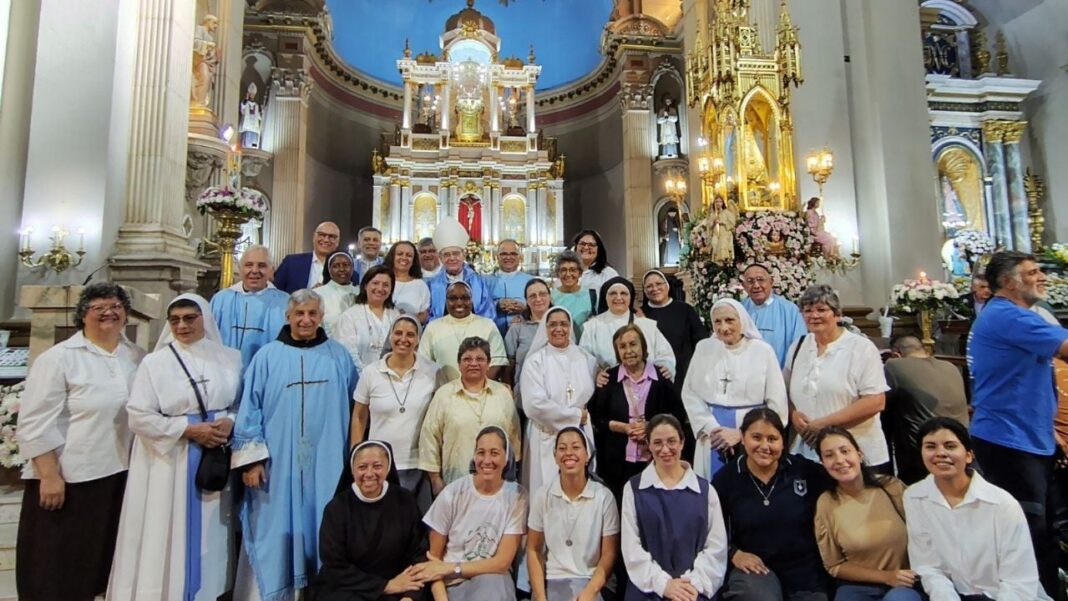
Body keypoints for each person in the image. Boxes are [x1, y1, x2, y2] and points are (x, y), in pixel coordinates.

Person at [15, 283, 146, 601]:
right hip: (70, 477)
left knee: (97, 565)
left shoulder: (137, 356)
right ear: (82, 315)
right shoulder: (59, 359)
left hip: (118, 473)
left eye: (115, 306)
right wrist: (49, 475)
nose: (108, 313)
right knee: (58, 567)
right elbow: (34, 420)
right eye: (98, 307)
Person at [108, 294, 241, 601]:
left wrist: (230, 421)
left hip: (214, 455)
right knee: (166, 531)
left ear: (204, 319)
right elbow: (139, 416)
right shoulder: (154, 363)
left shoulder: (230, 357)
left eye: (189, 318)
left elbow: (238, 403)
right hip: (171, 459)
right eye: (175, 319)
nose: (182, 325)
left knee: (213, 532)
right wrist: (188, 429)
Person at [231, 289, 358, 601]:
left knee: (325, 523)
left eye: (312, 314)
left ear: (321, 317)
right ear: (287, 316)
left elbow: (357, 408)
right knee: (274, 528)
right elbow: (250, 409)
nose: (305, 320)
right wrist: (251, 460)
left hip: (328, 461)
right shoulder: (267, 356)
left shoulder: (339, 356)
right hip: (276, 464)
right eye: (299, 314)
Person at [966, 250, 1068, 597]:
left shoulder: (1015, 315)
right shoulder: (1008, 316)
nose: (1042, 277)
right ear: (1009, 282)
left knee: (1047, 530)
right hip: (1008, 441)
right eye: (1033, 272)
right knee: (1029, 533)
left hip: (1029, 436)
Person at [904, 418, 1050, 601]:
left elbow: (1018, 580)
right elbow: (927, 566)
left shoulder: (1001, 503)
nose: (940, 453)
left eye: (950, 446)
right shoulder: (914, 497)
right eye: (930, 446)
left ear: (968, 455)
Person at [712, 409, 831, 601]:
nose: (764, 446)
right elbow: (709, 529)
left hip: (804, 571)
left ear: (783, 442)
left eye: (772, 439)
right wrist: (733, 553)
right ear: (742, 438)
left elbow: (841, 483)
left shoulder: (804, 471)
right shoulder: (726, 479)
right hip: (755, 569)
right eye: (756, 437)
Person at [621, 414, 728, 600]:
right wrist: (664, 585)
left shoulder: (705, 491)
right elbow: (632, 549)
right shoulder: (633, 489)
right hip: (647, 589)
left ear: (682, 443)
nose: (665, 449)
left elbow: (716, 547)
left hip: (693, 590)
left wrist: (693, 584)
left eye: (671, 441)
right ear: (648, 444)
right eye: (657, 443)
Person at [415, 426, 528, 601]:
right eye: (481, 453)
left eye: (494, 453)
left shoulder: (517, 496)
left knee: (492, 585)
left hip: (493, 579)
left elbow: (502, 562)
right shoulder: (452, 493)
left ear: (506, 458)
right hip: (452, 584)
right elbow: (434, 561)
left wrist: (450, 568)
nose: (487, 460)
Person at [786, 285, 890, 469]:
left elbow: (876, 401)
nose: (814, 315)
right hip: (808, 454)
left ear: (837, 314)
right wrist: (794, 415)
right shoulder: (799, 346)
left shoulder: (861, 348)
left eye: (821, 309)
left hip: (855, 453)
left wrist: (824, 425)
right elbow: (784, 390)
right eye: (808, 310)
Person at [682, 299, 788, 479]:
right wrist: (712, 428)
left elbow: (777, 403)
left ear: (742, 321)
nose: (723, 327)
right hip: (712, 436)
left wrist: (743, 433)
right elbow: (690, 392)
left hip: (753, 436)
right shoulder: (704, 348)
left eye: (730, 320)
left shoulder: (763, 351)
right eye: (717, 321)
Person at [813, 427, 920, 601]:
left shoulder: (890, 486)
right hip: (858, 586)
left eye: (845, 451)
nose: (840, 460)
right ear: (822, 463)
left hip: (905, 581)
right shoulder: (826, 503)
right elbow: (835, 565)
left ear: (859, 454)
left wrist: (898, 576)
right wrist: (886, 577)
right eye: (829, 455)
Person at [590, 324, 693, 503]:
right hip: (616, 463)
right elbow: (597, 419)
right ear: (617, 352)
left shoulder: (661, 379)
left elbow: (678, 417)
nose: (629, 351)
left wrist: (651, 427)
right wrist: (623, 427)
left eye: (633, 344)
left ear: (643, 347)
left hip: (656, 460)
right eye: (622, 347)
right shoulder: (608, 379)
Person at [315, 441, 430, 601]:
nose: (369, 474)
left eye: (377, 466)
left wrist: (410, 596)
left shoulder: (405, 501)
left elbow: (419, 552)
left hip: (400, 583)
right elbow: (334, 564)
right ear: (352, 470)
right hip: (349, 587)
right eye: (362, 467)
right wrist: (384, 586)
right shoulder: (337, 508)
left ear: (388, 468)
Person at [351, 315, 441, 512]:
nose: (404, 339)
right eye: (398, 333)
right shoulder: (371, 372)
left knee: (417, 528)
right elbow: (359, 416)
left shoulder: (432, 371)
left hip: (419, 464)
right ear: (390, 336)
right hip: (380, 465)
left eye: (410, 335)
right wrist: (356, 454)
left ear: (418, 339)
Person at [418, 337, 522, 492]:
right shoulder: (444, 395)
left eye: (480, 359)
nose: (474, 363)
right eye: (467, 359)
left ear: (488, 364)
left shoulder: (502, 394)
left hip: (498, 483)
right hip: (455, 483)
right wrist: (435, 480)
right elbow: (430, 438)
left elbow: (513, 437)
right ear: (459, 364)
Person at [527, 427, 619, 601]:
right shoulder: (542, 496)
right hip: (553, 579)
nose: (568, 453)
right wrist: (540, 597)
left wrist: (589, 592)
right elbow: (533, 549)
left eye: (575, 447)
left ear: (587, 456)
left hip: (591, 579)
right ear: (555, 457)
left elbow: (609, 554)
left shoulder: (604, 497)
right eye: (562, 448)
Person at [520, 307, 598, 500]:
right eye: (553, 324)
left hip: (580, 435)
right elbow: (534, 405)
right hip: (545, 437)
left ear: (571, 327)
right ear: (545, 328)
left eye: (564, 324)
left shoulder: (587, 359)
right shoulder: (535, 361)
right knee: (545, 495)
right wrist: (575, 416)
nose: (559, 329)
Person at [883, 335, 969, 484]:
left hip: (924, 451)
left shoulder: (894, 365)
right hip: (961, 443)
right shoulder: (950, 366)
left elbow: (882, 403)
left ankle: (887, 480)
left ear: (895, 353)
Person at [580, 277, 676, 379]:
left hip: (645, 385)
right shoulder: (592, 326)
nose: (618, 298)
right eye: (613, 293)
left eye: (623, 293)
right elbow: (584, 358)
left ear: (630, 298)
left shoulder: (647, 325)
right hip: (609, 386)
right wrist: (597, 373)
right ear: (605, 297)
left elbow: (665, 354)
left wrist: (665, 366)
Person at [210, 244, 289, 368]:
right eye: (249, 265)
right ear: (240, 268)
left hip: (268, 371)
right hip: (226, 371)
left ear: (272, 271)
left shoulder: (285, 302)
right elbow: (210, 338)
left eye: (262, 265)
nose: (255, 270)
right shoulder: (221, 300)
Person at [419, 281, 507, 381]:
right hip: (444, 392)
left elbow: (497, 363)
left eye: (465, 298)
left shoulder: (488, 325)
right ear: (446, 301)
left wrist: (476, 388)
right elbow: (424, 364)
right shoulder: (433, 327)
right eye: (453, 298)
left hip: (482, 393)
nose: (459, 302)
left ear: (472, 300)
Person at [641, 269, 708, 392]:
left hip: (684, 371)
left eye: (658, 284)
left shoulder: (685, 309)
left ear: (667, 285)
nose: (654, 288)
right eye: (649, 286)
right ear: (645, 291)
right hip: (652, 374)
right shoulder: (641, 314)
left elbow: (701, 340)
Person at [426, 217, 496, 321]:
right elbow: (429, 316)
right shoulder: (433, 284)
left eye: (456, 253)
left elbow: (488, 312)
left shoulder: (479, 282)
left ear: (464, 255)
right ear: (440, 258)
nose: (452, 258)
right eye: (447, 255)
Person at [335, 265, 400, 373]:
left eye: (386, 285)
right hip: (360, 378)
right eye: (375, 283)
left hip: (392, 377)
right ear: (365, 286)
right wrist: (370, 377)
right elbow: (348, 353)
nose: (380, 289)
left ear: (391, 289)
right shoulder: (350, 316)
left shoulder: (395, 315)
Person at [740, 263, 807, 367]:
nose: (756, 285)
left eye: (761, 280)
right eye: (750, 281)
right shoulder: (739, 310)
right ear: (744, 286)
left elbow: (800, 349)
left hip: (779, 377)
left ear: (771, 282)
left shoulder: (790, 311)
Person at [506, 278, 555, 401]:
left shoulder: (563, 326)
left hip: (556, 395)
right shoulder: (517, 328)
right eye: (532, 296)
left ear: (550, 296)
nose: (538, 299)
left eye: (542, 294)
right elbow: (508, 364)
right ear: (527, 301)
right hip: (524, 396)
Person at [273, 221, 342, 293]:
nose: (326, 240)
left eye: (332, 236)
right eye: (322, 235)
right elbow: (275, 293)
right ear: (313, 237)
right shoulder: (291, 263)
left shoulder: (345, 268)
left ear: (338, 241)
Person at [487, 239, 534, 335]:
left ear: (520, 257)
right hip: (493, 333)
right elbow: (478, 308)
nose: (508, 257)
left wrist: (525, 309)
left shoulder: (530, 281)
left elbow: (542, 308)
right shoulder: (486, 281)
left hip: (523, 335)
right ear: (497, 257)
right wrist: (496, 305)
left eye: (513, 254)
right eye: (504, 254)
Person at [550, 250, 595, 338]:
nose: (568, 274)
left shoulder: (592, 297)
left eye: (573, 270)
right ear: (558, 273)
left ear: (580, 273)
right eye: (563, 270)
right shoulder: (551, 297)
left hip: (584, 347)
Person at [386, 240, 431, 323]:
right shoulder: (382, 280)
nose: (404, 258)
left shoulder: (420, 285)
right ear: (392, 257)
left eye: (409, 255)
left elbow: (424, 315)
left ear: (413, 260)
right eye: (400, 254)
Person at [317, 251, 360, 337]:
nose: (341, 269)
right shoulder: (318, 294)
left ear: (352, 268)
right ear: (329, 270)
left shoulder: (361, 292)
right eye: (336, 266)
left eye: (346, 265)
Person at [709, 196, 738, 265]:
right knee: (714, 245)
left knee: (723, 245)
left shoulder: (727, 212)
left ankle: (725, 261)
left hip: (725, 233)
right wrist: (713, 222)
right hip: (716, 234)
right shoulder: (713, 214)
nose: (718, 203)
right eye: (716, 202)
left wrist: (722, 222)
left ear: (722, 203)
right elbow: (709, 226)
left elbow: (732, 224)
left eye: (720, 202)